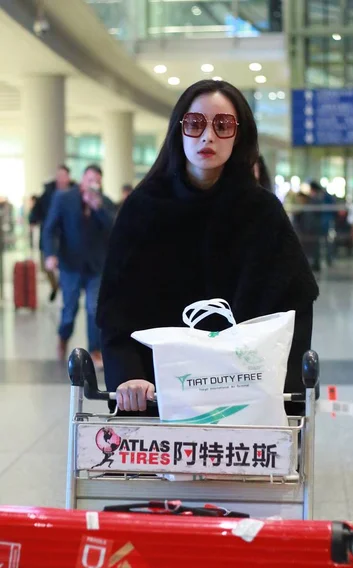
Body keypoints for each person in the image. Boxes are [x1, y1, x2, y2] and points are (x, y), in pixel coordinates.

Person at [96, 79, 319, 416]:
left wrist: (281, 389)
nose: (207, 136)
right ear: (178, 130)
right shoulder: (143, 209)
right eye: (195, 124)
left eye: (223, 125)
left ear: (240, 136)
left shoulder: (262, 213)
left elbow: (293, 309)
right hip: (156, 394)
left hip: (245, 396)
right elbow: (117, 309)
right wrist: (128, 376)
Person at [42, 164, 116, 368]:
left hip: (96, 267)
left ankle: (94, 350)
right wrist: (50, 254)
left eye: (97, 181)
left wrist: (97, 207)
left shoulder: (105, 203)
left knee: (94, 309)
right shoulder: (64, 198)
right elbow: (50, 229)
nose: (93, 184)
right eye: (89, 179)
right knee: (69, 310)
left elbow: (114, 228)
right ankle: (62, 339)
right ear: (82, 180)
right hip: (70, 265)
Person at [29, 165, 74, 301]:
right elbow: (37, 209)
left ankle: (64, 286)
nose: (60, 179)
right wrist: (33, 221)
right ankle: (55, 286)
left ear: (68, 177)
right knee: (46, 265)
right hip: (49, 234)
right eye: (58, 176)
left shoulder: (74, 192)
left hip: (66, 236)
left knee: (66, 265)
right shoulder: (48, 193)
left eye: (63, 176)